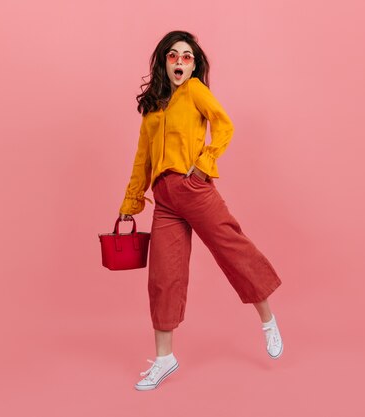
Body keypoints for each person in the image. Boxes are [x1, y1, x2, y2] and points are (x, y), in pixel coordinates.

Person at [118, 30, 283, 391]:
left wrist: (205, 163)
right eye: (173, 56)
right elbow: (142, 158)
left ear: (195, 64)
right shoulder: (153, 106)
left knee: (231, 249)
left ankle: (268, 320)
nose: (180, 62)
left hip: (193, 188)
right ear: (163, 60)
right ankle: (165, 359)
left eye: (187, 56)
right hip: (164, 199)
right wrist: (131, 203)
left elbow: (224, 125)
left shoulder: (195, 91)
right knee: (164, 275)